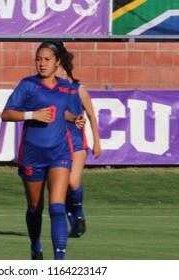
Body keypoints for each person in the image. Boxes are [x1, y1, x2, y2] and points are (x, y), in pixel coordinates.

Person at [0, 41, 84, 260]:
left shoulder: (66, 88)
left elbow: (60, 113)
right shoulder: (27, 85)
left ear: (57, 63)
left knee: (57, 207)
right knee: (35, 207)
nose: (42, 63)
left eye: (47, 59)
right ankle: (36, 245)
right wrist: (31, 115)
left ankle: (59, 263)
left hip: (59, 153)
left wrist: (74, 118)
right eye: (38, 59)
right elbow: (6, 114)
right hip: (32, 155)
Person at [56, 48, 102, 238]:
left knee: (73, 182)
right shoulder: (50, 91)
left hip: (76, 143)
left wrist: (97, 142)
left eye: (56, 66)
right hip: (56, 144)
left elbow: (91, 115)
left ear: (64, 68)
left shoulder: (79, 90)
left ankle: (80, 216)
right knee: (59, 188)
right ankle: (74, 225)